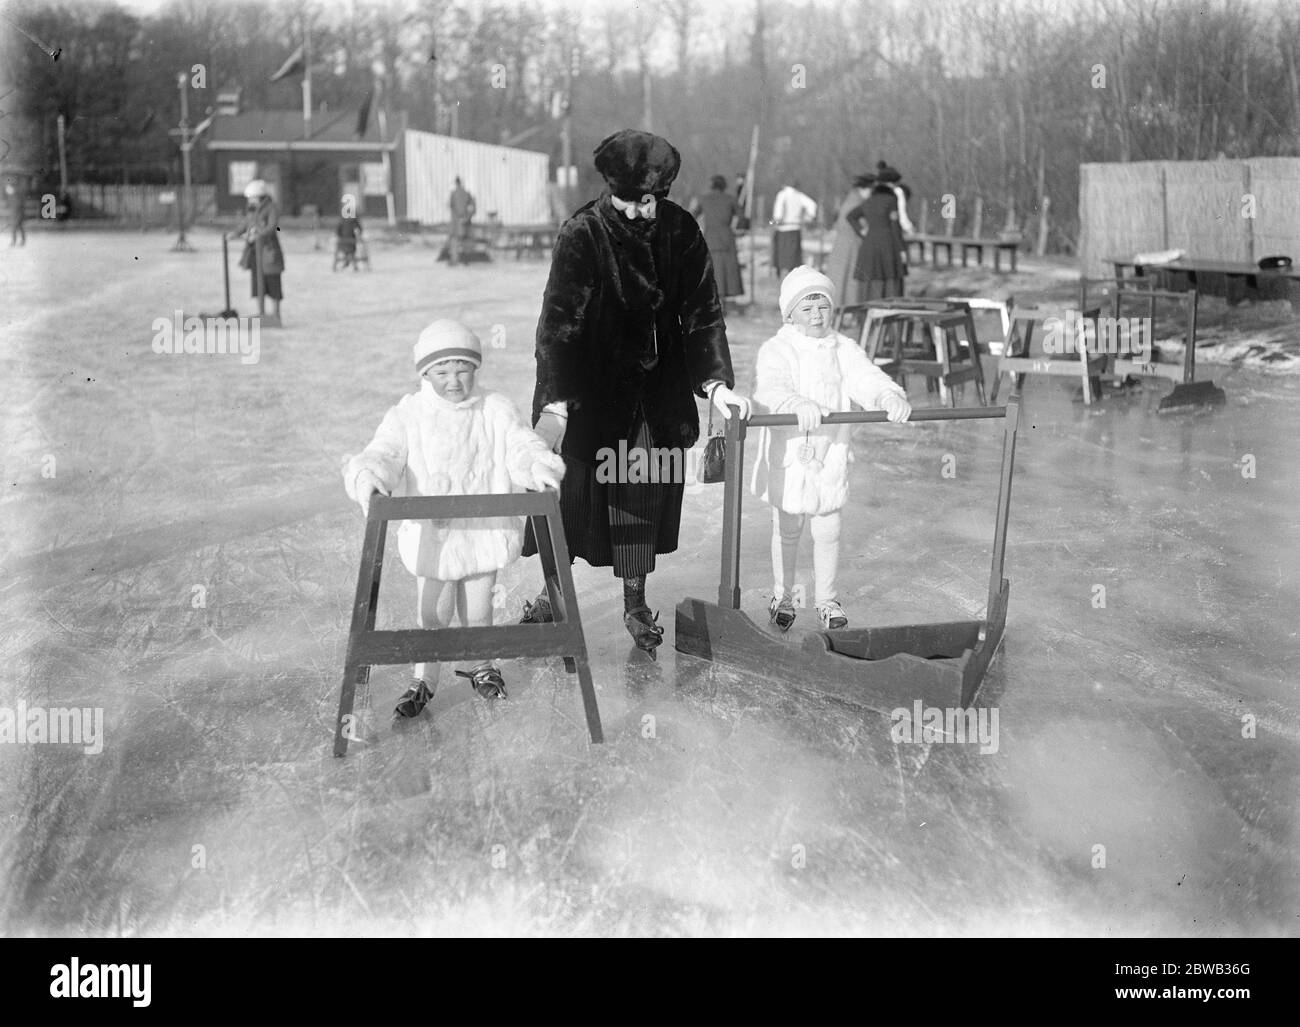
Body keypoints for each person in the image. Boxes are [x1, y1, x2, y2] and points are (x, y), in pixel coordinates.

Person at [521, 128, 752, 658]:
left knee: (640, 496)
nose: (644, 212)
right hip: (589, 397)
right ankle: (552, 593)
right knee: (575, 504)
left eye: (652, 200)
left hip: (654, 397)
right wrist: (556, 405)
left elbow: (702, 315)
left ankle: (634, 602)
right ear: (613, 190)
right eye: (634, 201)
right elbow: (557, 327)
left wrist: (715, 385)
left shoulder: (681, 230)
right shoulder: (582, 232)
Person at [342, 319, 566, 718]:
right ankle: (424, 679)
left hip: (483, 533)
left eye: (462, 369)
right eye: (442, 371)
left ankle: (484, 666)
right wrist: (371, 475)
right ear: (425, 373)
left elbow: (520, 446)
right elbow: (385, 452)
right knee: (433, 614)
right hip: (435, 538)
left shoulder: (495, 408)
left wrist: (538, 467)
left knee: (479, 611)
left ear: (475, 369)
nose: (453, 381)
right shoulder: (409, 414)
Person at [751, 267, 912, 631]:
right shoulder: (778, 349)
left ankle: (826, 599)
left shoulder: (842, 348)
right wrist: (793, 402)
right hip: (792, 457)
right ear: (790, 313)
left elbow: (865, 377)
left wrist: (887, 394)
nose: (816, 316)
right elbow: (768, 387)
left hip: (829, 456)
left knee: (828, 530)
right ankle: (783, 595)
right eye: (807, 309)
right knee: (788, 528)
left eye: (822, 307)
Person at [846, 170, 907, 300]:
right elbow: (895, 226)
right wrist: (902, 248)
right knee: (890, 278)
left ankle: (866, 314)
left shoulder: (869, 200)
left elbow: (851, 216)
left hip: (869, 244)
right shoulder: (891, 200)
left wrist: (862, 231)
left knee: (870, 279)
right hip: (888, 244)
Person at [233, 179, 285, 320]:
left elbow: (272, 226)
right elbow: (246, 223)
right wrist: (235, 234)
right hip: (255, 251)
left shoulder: (271, 207)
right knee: (258, 283)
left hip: (269, 250)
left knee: (273, 282)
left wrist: (258, 234)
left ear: (259, 196)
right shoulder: (252, 209)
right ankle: (261, 313)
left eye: (252, 197)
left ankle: (275, 314)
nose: (250, 200)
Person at [691, 175, 743, 310]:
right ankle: (724, 302)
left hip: (711, 237)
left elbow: (691, 216)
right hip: (727, 237)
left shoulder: (703, 199)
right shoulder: (731, 199)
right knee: (726, 270)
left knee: (714, 269)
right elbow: (743, 219)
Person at [824, 173, 874, 306]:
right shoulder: (857, 203)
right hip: (852, 246)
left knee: (840, 278)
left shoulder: (849, 200)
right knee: (850, 281)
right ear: (863, 189)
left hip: (841, 246)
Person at [771, 179, 817, 278]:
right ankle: (792, 274)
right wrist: (808, 218)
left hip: (783, 228)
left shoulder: (782, 194)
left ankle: (781, 274)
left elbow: (778, 211)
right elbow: (812, 205)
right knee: (793, 254)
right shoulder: (799, 195)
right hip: (795, 228)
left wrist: (776, 221)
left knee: (782, 253)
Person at [448, 177, 476, 265]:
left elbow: (451, 207)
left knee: (455, 240)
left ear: (456, 184)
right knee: (466, 240)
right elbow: (473, 208)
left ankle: (454, 260)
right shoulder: (467, 194)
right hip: (465, 221)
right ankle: (466, 260)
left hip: (456, 222)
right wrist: (468, 217)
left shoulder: (453, 194)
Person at [335, 196, 364, 270]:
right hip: (350, 239)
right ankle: (352, 263)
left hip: (344, 239)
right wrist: (359, 234)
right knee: (351, 249)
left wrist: (339, 236)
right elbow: (359, 228)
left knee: (346, 249)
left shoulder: (343, 220)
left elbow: (338, 229)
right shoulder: (353, 220)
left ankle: (348, 261)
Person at [6, 181, 26, 246]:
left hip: (18, 215)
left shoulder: (16, 196)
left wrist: (17, 217)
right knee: (19, 227)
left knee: (16, 227)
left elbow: (19, 207)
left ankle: (17, 241)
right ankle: (20, 241)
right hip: (15, 215)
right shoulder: (12, 196)